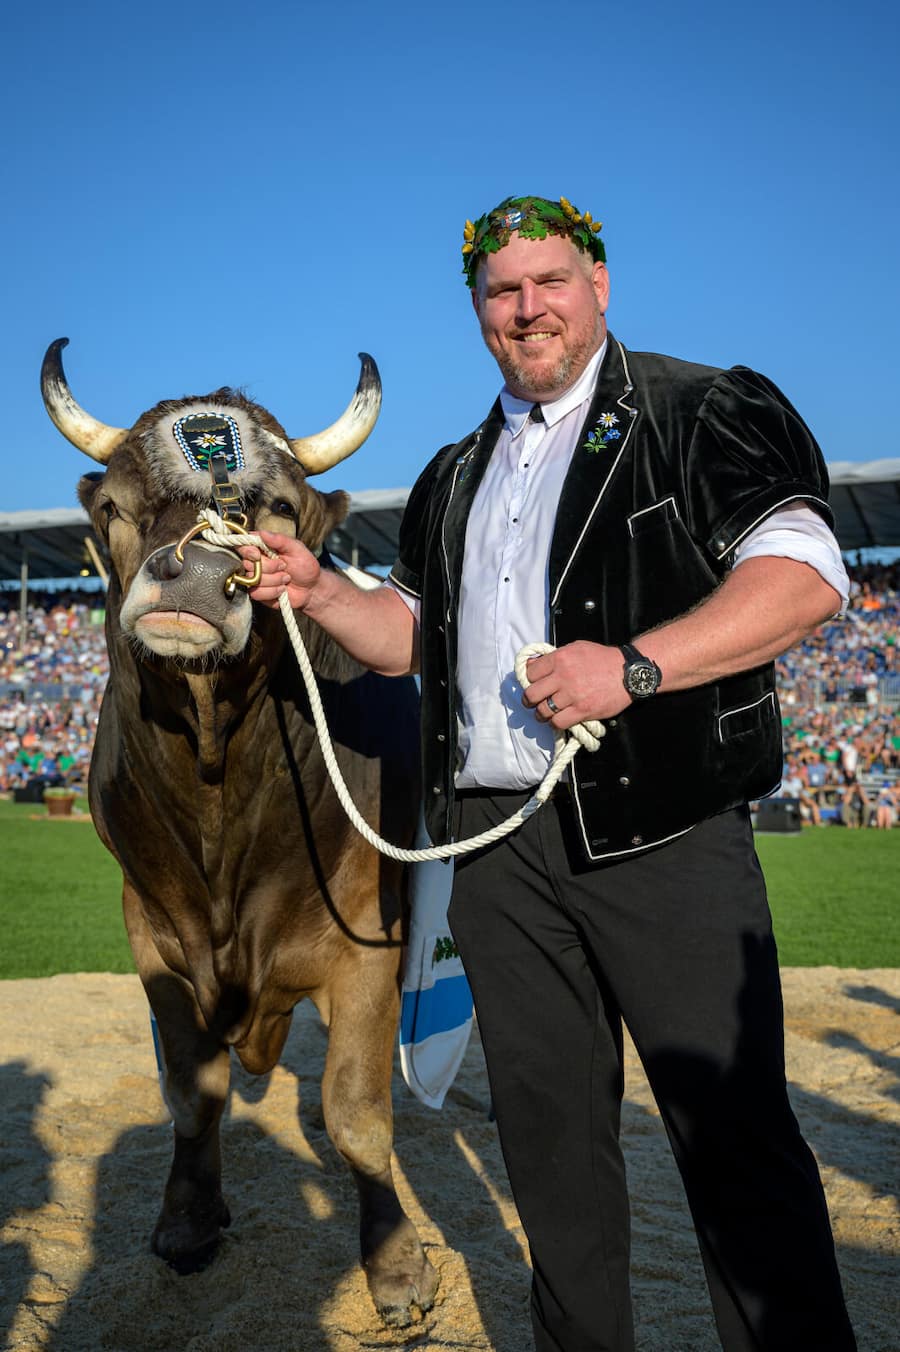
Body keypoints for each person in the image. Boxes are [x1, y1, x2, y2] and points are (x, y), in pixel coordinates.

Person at [241, 195, 856, 1351]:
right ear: (477, 310)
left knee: (732, 1140)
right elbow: (418, 630)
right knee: (550, 1151)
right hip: (495, 848)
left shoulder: (705, 404)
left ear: (601, 282)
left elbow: (807, 574)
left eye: (549, 282)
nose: (528, 309)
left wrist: (634, 667)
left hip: (664, 834)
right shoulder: (453, 469)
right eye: (501, 292)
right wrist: (320, 591)